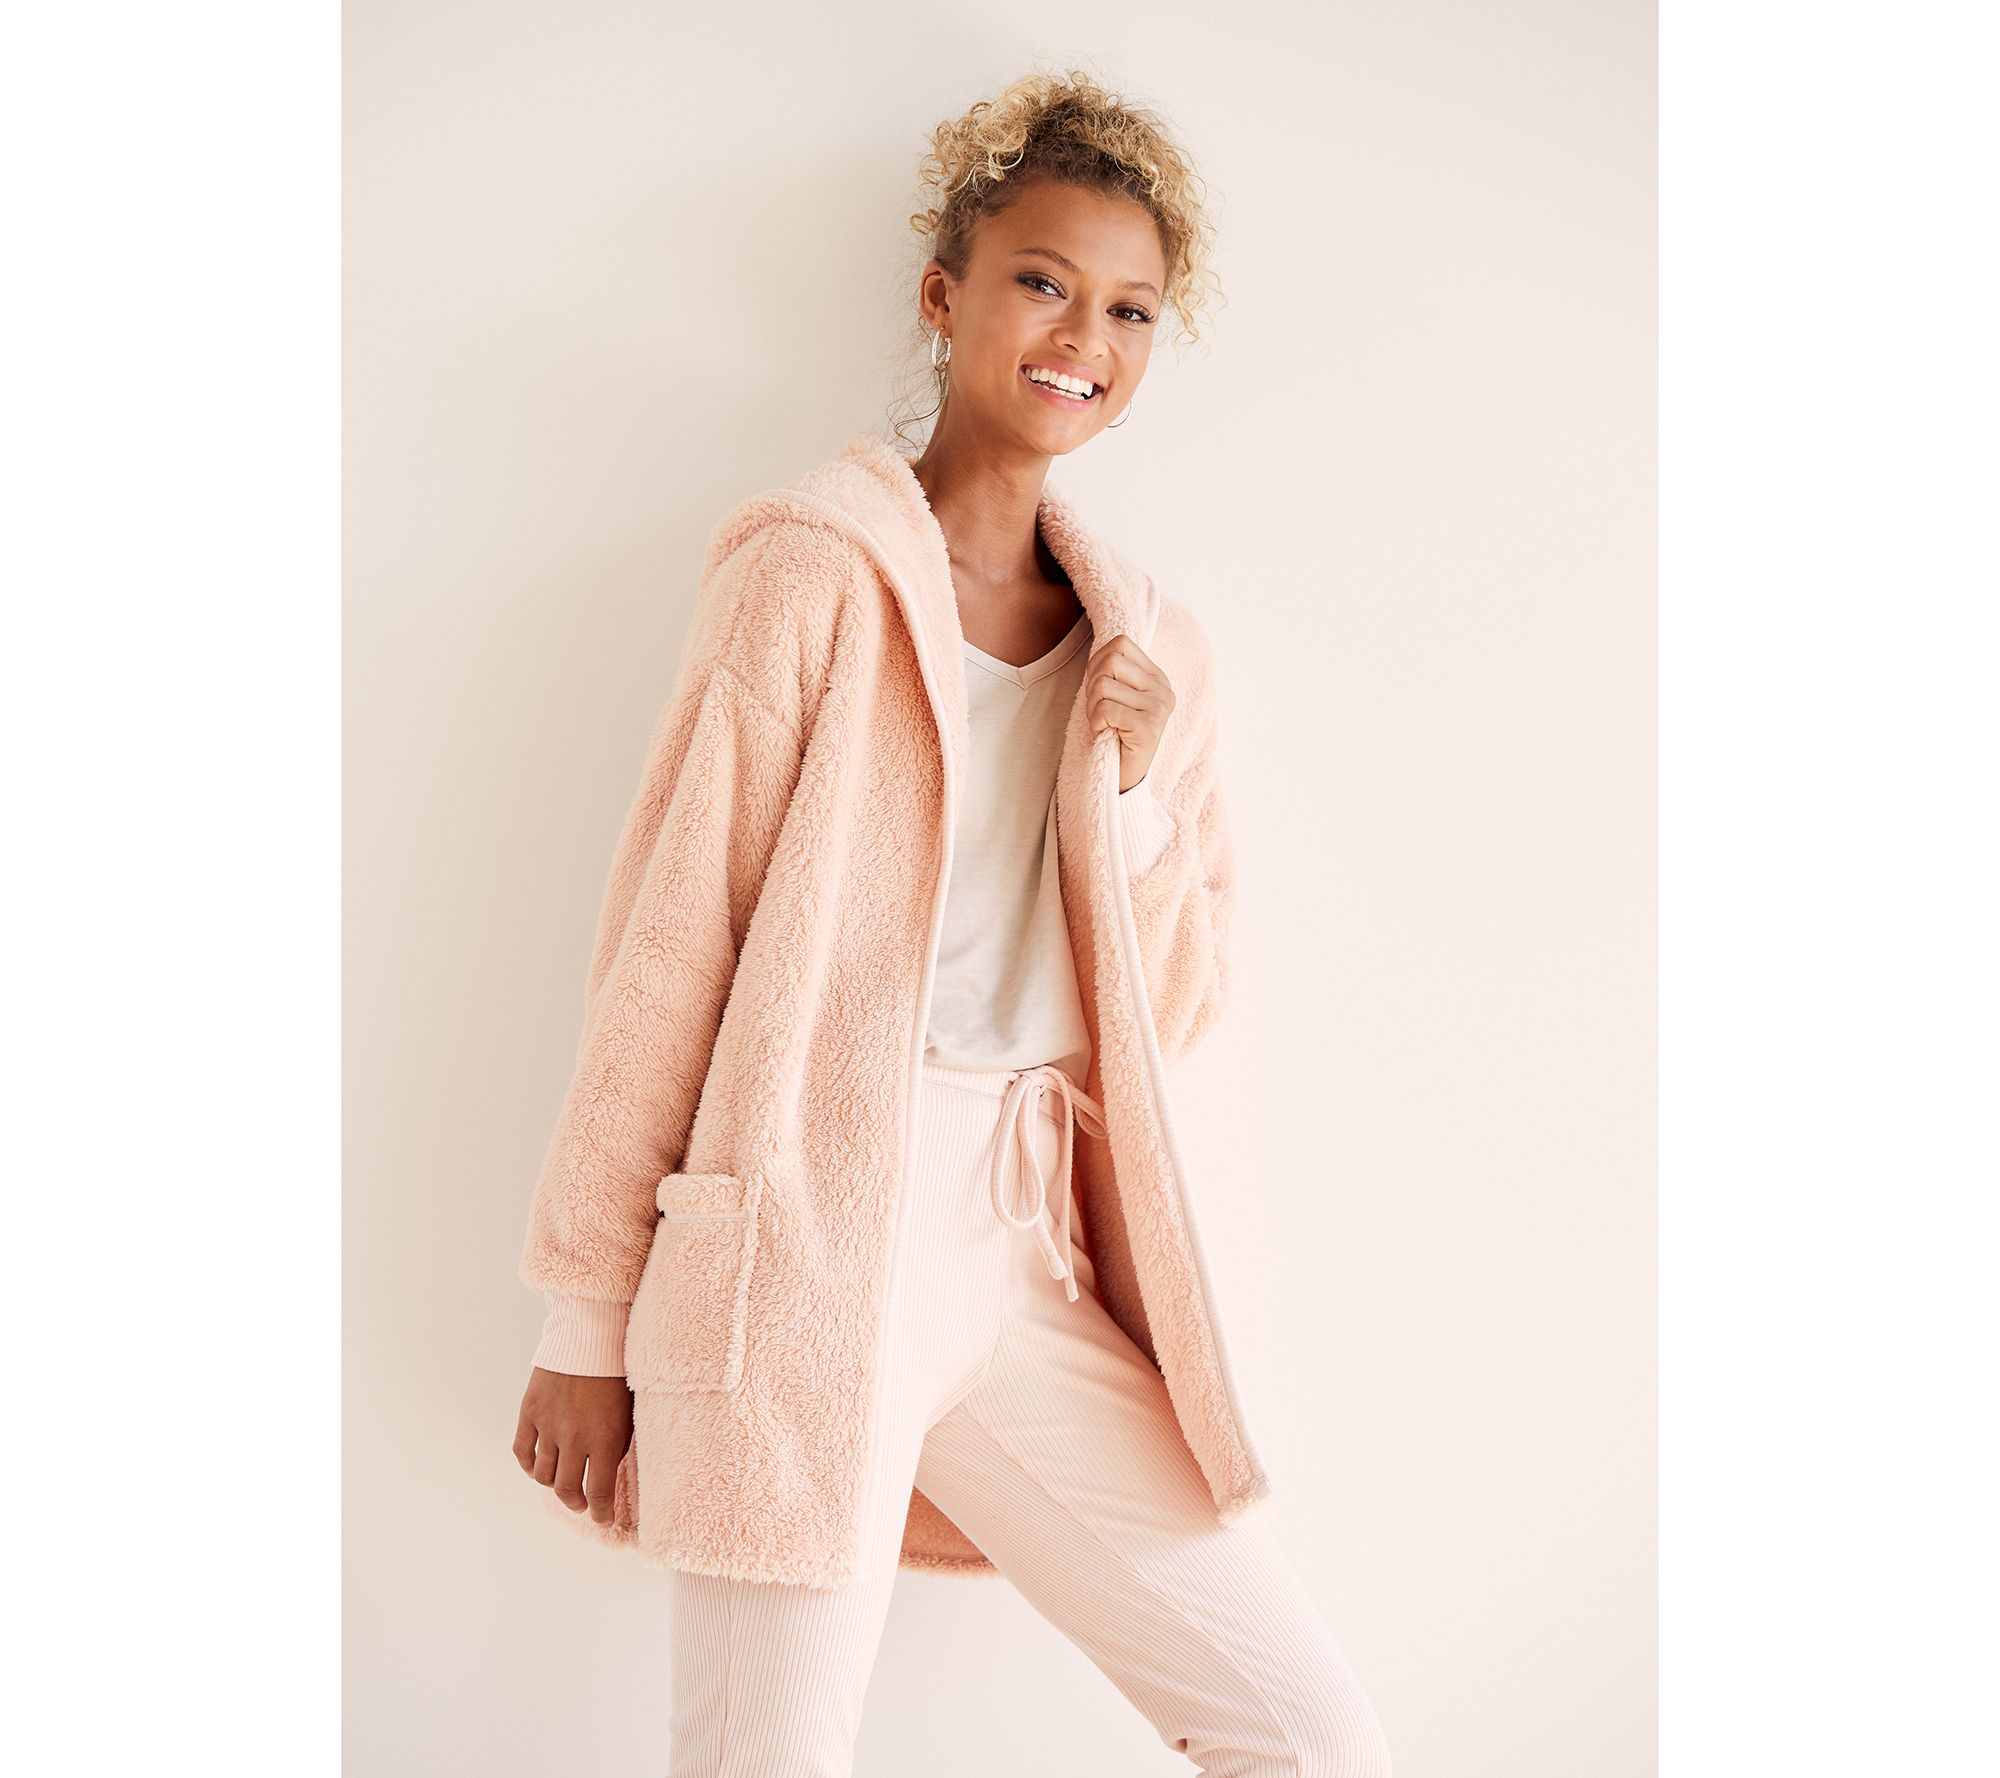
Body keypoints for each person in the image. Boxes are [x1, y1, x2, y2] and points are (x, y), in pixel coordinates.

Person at [510, 65, 1395, 1778]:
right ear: (945, 294)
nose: (1083, 336)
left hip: (1027, 1243)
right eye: (1042, 281)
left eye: (1130, 308)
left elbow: (1177, 1004)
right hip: (807, 1229)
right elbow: (670, 950)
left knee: (1315, 1737)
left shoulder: (1153, 653)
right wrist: (585, 1320)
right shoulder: (808, 576)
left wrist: (1133, 794)